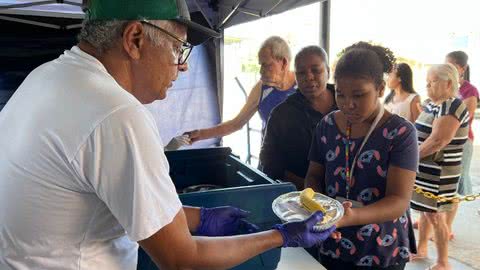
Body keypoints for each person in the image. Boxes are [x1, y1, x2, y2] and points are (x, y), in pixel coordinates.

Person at [0, 1, 336, 269]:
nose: (183, 65)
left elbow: (110, 199)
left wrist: (199, 216)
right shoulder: (117, 114)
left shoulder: (47, 76)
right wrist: (278, 236)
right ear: (135, 39)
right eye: (178, 49)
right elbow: (181, 259)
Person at [305, 42, 419, 269]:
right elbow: (314, 176)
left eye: (359, 95)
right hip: (332, 240)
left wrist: (350, 217)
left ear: (380, 89)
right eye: (340, 94)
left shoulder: (400, 133)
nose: (349, 104)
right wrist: (318, 209)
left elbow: (398, 200)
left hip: (380, 248)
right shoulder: (326, 125)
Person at [410, 64, 469, 270]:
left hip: (440, 172)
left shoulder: (452, 106)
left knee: (436, 216)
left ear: (448, 83)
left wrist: (409, 157)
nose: (427, 84)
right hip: (426, 170)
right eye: (427, 79)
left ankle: (443, 262)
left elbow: (438, 140)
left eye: (433, 80)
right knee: (424, 213)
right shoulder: (433, 104)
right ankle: (422, 249)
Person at [186, 36, 297, 142]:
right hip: (269, 159)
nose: (261, 71)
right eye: (260, 65)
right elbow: (236, 124)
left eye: (266, 65)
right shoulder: (261, 89)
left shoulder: (304, 86)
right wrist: (200, 134)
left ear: (283, 63)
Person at [259, 45, 336, 190]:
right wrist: (311, 190)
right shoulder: (281, 115)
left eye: (315, 70)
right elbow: (269, 164)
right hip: (301, 198)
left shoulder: (348, 106)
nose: (309, 77)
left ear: (328, 71)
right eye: (301, 73)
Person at [444, 51, 479, 239]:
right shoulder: (446, 87)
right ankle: (433, 221)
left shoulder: (470, 90)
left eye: (450, 65)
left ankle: (447, 227)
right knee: (438, 185)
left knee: (454, 186)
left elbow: (466, 118)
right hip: (444, 141)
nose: (446, 68)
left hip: (461, 143)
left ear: (462, 68)